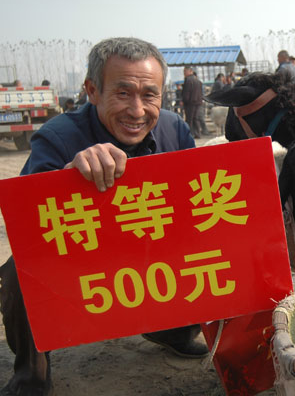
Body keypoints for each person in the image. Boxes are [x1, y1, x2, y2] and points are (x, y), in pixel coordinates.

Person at [0, 37, 207, 396]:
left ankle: (172, 332)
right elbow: (28, 229)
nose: (137, 110)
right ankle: (30, 372)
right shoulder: (55, 137)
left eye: (150, 95)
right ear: (92, 90)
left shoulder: (175, 130)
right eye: (123, 93)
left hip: (148, 250)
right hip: (82, 258)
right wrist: (67, 179)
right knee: (20, 271)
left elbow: (194, 209)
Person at [182, 66, 208, 138]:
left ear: (190, 71)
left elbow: (186, 92)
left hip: (190, 102)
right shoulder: (198, 81)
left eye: (185, 71)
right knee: (195, 118)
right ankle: (198, 133)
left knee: (189, 119)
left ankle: (190, 134)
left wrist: (184, 101)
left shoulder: (188, 80)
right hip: (198, 102)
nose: (184, 73)